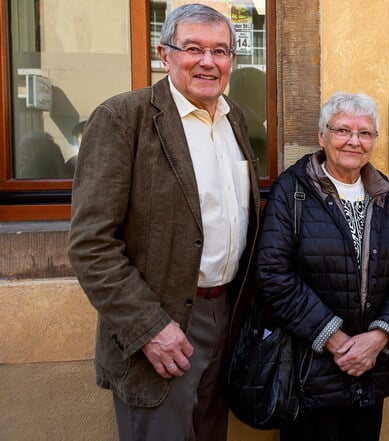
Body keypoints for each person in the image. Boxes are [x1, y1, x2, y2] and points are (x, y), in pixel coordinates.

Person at [67, 4, 260, 441]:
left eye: (220, 50)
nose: (208, 62)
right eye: (193, 48)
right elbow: (90, 244)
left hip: (224, 314)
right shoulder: (123, 118)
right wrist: (149, 328)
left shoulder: (236, 119)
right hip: (162, 323)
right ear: (165, 54)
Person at [255, 91, 389, 441]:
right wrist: (335, 340)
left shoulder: (384, 195)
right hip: (308, 370)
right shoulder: (293, 190)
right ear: (322, 136)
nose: (354, 142)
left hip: (370, 370)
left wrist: (378, 337)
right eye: (342, 130)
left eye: (364, 133)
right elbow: (274, 273)